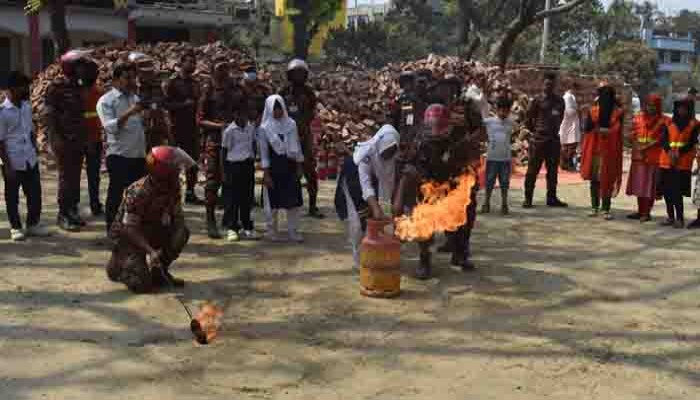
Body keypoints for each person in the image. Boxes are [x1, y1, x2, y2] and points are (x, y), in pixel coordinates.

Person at [394, 104, 483, 279]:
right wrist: (398, 201)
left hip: (453, 185)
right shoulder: (418, 141)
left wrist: (468, 188)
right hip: (428, 187)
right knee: (423, 219)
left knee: (467, 212)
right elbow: (408, 171)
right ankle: (424, 260)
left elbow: (471, 164)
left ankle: (460, 253)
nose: (436, 135)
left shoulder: (458, 137)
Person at [106, 146, 193, 294]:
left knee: (182, 232)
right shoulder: (138, 191)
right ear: (163, 171)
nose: (178, 170)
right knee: (142, 286)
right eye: (174, 167)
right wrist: (151, 251)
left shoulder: (173, 186)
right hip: (128, 237)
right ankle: (119, 266)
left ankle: (159, 271)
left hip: (151, 228)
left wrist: (175, 234)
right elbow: (130, 228)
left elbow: (177, 216)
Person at [335, 125, 399, 270]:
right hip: (354, 180)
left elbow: (387, 185)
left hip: (374, 182)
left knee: (382, 221)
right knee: (358, 221)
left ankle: (377, 256)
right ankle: (359, 260)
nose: (387, 155)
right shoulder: (367, 154)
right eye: (385, 152)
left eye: (391, 152)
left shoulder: (394, 156)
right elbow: (365, 184)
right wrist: (376, 208)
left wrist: (386, 209)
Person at [44, 50, 94, 231]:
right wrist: (55, 140)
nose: (83, 69)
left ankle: (72, 210)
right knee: (66, 178)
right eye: (79, 66)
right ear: (71, 68)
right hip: (63, 140)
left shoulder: (79, 86)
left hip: (78, 139)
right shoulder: (56, 87)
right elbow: (50, 117)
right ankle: (63, 214)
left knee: (75, 177)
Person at [96, 62, 147, 234]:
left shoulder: (135, 98)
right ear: (116, 80)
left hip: (138, 155)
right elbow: (110, 127)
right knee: (117, 195)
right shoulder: (106, 101)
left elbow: (141, 124)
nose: (132, 81)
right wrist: (131, 112)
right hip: (119, 156)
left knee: (137, 197)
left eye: (133, 77)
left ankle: (134, 231)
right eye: (127, 78)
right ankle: (112, 230)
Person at [0, 72, 49, 241]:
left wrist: (35, 148)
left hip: (30, 158)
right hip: (13, 160)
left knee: (35, 194)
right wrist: (7, 165)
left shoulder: (27, 107)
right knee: (12, 197)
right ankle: (16, 227)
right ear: (12, 89)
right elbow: (0, 142)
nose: (26, 90)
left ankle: (33, 224)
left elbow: (30, 130)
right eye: (22, 87)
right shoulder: (3, 113)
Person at [198, 55, 241, 239]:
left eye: (226, 67)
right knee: (212, 180)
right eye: (220, 67)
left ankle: (230, 219)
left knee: (232, 181)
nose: (224, 71)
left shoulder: (235, 89)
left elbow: (244, 109)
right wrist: (219, 126)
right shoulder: (208, 90)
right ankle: (210, 220)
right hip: (215, 141)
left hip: (235, 141)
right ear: (213, 69)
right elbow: (200, 119)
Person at [280, 59, 323, 218]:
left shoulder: (309, 93)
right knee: (286, 172)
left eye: (301, 73)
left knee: (310, 171)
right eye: (295, 73)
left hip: (304, 138)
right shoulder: (283, 92)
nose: (298, 76)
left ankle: (312, 206)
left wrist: (303, 127)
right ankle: (286, 205)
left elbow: (312, 113)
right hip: (286, 138)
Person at [259, 95, 305, 242]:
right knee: (272, 202)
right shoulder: (264, 128)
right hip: (274, 167)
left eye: (280, 108)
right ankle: (272, 231)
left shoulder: (291, 124)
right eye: (274, 109)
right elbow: (264, 153)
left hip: (290, 165)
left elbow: (296, 146)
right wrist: (266, 175)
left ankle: (293, 231)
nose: (278, 112)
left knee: (293, 201)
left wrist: (299, 166)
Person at [580, 82, 625, 220]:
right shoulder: (593, 111)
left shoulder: (618, 113)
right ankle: (595, 207)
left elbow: (618, 130)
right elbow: (587, 128)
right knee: (595, 180)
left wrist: (602, 130)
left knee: (607, 180)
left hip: (610, 151)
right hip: (596, 150)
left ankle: (605, 208)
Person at [523, 72, 567, 208]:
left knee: (553, 171)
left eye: (552, 84)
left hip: (553, 140)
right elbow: (528, 119)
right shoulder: (536, 100)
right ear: (542, 84)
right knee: (532, 170)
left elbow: (560, 118)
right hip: (538, 140)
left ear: (555, 85)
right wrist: (536, 132)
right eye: (547, 83)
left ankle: (551, 198)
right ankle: (528, 198)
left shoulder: (560, 101)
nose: (549, 86)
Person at [164, 51, 202, 204]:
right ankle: (172, 194)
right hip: (176, 128)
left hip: (192, 129)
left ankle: (190, 192)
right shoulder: (172, 82)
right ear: (182, 63)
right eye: (190, 62)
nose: (192, 65)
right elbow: (165, 104)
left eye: (194, 62)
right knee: (174, 163)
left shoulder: (195, 83)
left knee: (192, 163)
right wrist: (182, 105)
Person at [658, 96, 698, 228]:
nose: (681, 111)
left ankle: (679, 219)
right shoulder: (669, 123)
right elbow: (663, 140)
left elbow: (692, 143)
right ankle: (670, 217)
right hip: (666, 161)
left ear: (689, 110)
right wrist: (669, 151)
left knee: (677, 192)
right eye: (679, 108)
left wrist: (678, 153)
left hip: (682, 163)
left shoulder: (694, 124)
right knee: (666, 191)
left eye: (684, 108)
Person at [625, 94, 667, 222]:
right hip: (638, 157)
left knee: (649, 187)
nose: (650, 108)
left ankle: (646, 212)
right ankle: (640, 211)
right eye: (649, 105)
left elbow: (663, 138)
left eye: (653, 106)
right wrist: (633, 141)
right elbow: (631, 134)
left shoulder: (663, 121)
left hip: (653, 157)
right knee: (639, 185)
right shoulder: (638, 118)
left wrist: (648, 146)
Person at [221, 106, 259, 242]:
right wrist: (224, 172)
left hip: (247, 165)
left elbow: (253, 142)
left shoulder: (251, 128)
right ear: (235, 114)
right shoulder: (229, 131)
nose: (242, 117)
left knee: (247, 197)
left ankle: (247, 226)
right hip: (233, 166)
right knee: (233, 199)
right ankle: (232, 228)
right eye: (239, 114)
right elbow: (224, 152)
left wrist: (254, 156)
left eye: (244, 114)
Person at [129, 52, 168, 151]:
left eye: (150, 71)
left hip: (154, 127)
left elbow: (158, 102)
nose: (148, 74)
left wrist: (151, 107)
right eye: (144, 71)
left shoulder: (156, 84)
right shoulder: (130, 85)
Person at [80, 60, 104, 217]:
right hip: (87, 139)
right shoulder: (96, 92)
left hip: (87, 139)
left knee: (92, 175)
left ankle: (93, 204)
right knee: (92, 175)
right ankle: (93, 204)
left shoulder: (94, 92)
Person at [482, 97, 514, 215]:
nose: (503, 113)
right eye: (501, 110)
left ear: (509, 111)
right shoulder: (489, 122)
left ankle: (504, 204)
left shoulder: (511, 122)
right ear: (497, 109)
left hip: (505, 158)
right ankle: (486, 203)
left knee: (505, 182)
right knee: (489, 181)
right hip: (492, 158)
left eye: (506, 111)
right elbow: (477, 126)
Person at [559, 83, 581, 171]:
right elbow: (569, 111)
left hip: (570, 123)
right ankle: (566, 163)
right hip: (569, 123)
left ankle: (567, 163)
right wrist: (578, 111)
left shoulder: (570, 97)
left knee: (569, 144)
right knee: (569, 145)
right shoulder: (568, 97)